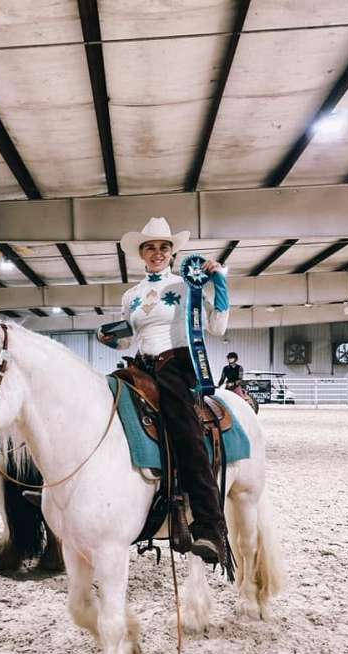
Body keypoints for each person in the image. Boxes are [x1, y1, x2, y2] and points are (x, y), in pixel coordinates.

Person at [98, 217, 230, 569]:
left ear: (173, 253)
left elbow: (217, 327)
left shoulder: (189, 285)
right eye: (150, 248)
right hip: (140, 367)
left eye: (163, 247)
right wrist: (109, 338)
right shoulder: (132, 295)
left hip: (177, 367)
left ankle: (210, 526)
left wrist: (220, 284)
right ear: (141, 254)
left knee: (186, 434)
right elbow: (129, 338)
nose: (157, 253)